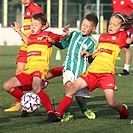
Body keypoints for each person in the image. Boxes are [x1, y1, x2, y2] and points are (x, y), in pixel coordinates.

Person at [44, 12, 132, 122]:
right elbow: (94, 56)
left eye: (114, 25)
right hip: (91, 72)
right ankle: (57, 115)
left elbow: (129, 40)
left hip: (106, 74)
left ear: (121, 27)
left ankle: (124, 111)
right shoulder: (102, 37)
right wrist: (90, 55)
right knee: (71, 89)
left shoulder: (121, 36)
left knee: (111, 102)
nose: (111, 26)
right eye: (110, 23)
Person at [3, 13, 66, 117]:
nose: (33, 26)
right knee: (7, 86)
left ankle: (50, 112)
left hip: (39, 69)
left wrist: (65, 34)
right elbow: (27, 41)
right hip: (28, 70)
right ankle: (27, 102)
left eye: (36, 25)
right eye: (32, 24)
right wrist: (18, 31)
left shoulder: (47, 34)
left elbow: (61, 38)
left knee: (35, 87)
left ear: (43, 26)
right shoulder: (31, 37)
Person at [53, 13, 98, 122]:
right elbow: (63, 45)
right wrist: (63, 36)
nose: (84, 27)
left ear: (93, 28)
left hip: (81, 72)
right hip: (68, 68)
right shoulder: (74, 34)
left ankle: (85, 109)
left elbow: (91, 59)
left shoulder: (92, 42)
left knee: (79, 97)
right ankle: (66, 113)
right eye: (83, 24)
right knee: (68, 87)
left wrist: (89, 54)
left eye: (87, 26)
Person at [112, 0, 133, 76]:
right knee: (113, 46)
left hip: (126, 26)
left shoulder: (128, 1)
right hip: (116, 27)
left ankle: (126, 69)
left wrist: (129, 20)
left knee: (126, 47)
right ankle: (111, 68)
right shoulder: (114, 1)